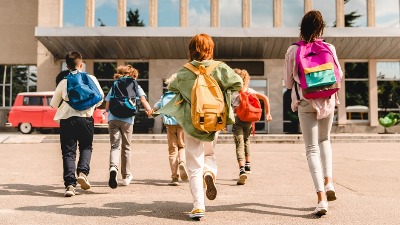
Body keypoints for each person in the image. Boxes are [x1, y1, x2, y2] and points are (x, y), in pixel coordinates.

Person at [156, 33, 243, 220]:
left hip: (192, 122)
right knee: (209, 154)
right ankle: (210, 173)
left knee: (194, 164)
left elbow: (172, 88)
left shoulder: (184, 71)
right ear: (210, 49)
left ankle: (198, 206)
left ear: (191, 50)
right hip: (214, 120)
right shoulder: (219, 68)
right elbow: (238, 83)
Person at [284, 10, 341, 216]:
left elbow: (288, 82)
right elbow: (339, 75)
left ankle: (321, 199)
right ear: (320, 28)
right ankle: (329, 183)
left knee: (311, 149)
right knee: (325, 141)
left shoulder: (293, 50)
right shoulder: (329, 47)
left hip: (306, 100)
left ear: (302, 27)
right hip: (327, 99)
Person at [50, 51, 104, 197]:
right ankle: (82, 172)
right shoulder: (90, 78)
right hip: (86, 119)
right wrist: (88, 106)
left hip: (67, 120)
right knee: (86, 147)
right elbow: (100, 97)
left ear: (66, 66)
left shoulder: (64, 81)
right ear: (81, 64)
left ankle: (69, 186)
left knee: (68, 152)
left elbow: (53, 104)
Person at [105, 65, 152, 189]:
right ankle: (126, 176)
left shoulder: (115, 84)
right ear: (133, 75)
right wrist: (149, 110)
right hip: (127, 120)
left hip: (113, 118)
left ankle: (113, 168)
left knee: (115, 146)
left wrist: (108, 112)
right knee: (126, 148)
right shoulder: (135, 85)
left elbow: (107, 105)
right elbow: (143, 100)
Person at [231, 68, 272, 185]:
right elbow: (266, 98)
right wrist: (268, 114)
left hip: (237, 120)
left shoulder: (234, 93)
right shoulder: (250, 91)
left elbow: (229, 109)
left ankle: (241, 169)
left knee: (239, 143)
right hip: (249, 121)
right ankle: (248, 166)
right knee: (246, 141)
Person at [152, 73, 188, 186]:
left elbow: (155, 108)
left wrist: (150, 112)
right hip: (182, 124)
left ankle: (174, 177)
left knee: (173, 150)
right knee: (182, 146)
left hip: (169, 125)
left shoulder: (165, 95)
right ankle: (182, 161)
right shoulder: (182, 95)